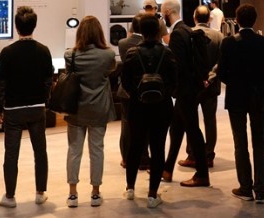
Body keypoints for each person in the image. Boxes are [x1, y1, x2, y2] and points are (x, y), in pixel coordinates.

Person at [0, 6, 54, 208]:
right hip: (37, 108)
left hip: (13, 110)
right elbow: (48, 80)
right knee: (40, 151)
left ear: (16, 27)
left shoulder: (7, 52)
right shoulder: (44, 51)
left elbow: (0, 82)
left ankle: (10, 197)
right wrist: (44, 100)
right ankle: (39, 192)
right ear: (34, 25)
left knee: (11, 153)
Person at [218, 4, 264, 204]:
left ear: (237, 20)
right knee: (259, 143)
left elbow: (222, 72)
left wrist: (234, 83)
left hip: (236, 97)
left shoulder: (228, 43)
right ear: (255, 20)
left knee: (240, 142)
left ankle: (245, 187)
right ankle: (260, 189)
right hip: (259, 97)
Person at [121, 13, 178, 209]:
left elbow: (126, 82)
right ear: (158, 31)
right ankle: (153, 194)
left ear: (140, 31)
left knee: (135, 145)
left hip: (138, 107)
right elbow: (174, 82)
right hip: (162, 108)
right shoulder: (167, 53)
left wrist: (137, 94)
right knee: (158, 147)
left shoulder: (132, 53)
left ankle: (130, 188)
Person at [63, 16, 116, 208]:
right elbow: (108, 72)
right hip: (99, 108)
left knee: (74, 151)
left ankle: (72, 194)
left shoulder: (71, 55)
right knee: (97, 150)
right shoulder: (108, 55)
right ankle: (95, 192)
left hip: (76, 109)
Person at [161, 0, 211, 187]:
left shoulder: (177, 34)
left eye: (162, 12)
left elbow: (178, 66)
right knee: (177, 129)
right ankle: (167, 169)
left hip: (185, 90)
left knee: (193, 131)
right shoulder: (187, 30)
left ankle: (202, 174)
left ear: (167, 12)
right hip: (191, 88)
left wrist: (173, 88)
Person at [179, 5, 223, 169]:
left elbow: (188, 61)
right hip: (211, 86)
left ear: (194, 17)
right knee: (210, 121)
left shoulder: (189, 34)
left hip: (193, 84)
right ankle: (209, 155)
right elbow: (221, 62)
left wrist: (200, 78)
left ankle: (192, 155)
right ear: (209, 19)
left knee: (192, 120)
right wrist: (209, 78)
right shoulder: (219, 36)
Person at [118, 14, 146, 170]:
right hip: (145, 89)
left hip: (127, 90)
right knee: (145, 124)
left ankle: (126, 158)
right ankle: (143, 156)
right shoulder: (151, 43)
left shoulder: (123, 43)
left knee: (126, 125)